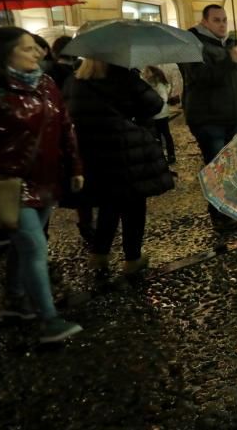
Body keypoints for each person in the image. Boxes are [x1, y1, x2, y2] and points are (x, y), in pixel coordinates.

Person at [0, 27, 84, 343]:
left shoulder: (46, 84)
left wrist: (74, 165)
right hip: (10, 184)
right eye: (28, 49)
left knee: (24, 247)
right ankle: (48, 320)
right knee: (34, 246)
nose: (38, 54)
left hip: (46, 180)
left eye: (37, 48)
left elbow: (65, 125)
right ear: (4, 54)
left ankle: (15, 302)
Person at [66, 59, 173, 276]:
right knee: (134, 206)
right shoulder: (124, 77)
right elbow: (154, 104)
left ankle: (99, 254)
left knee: (109, 203)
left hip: (94, 152)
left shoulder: (76, 81)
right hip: (126, 150)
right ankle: (132, 258)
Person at [181, 5, 237, 164]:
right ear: (205, 22)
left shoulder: (228, 44)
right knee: (218, 170)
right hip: (209, 121)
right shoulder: (193, 44)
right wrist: (229, 61)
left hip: (233, 118)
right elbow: (200, 77)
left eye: (225, 20)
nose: (222, 24)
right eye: (217, 20)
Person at [143, 65, 177, 164]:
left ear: (153, 73)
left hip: (161, 114)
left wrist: (151, 103)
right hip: (153, 114)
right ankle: (161, 155)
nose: (145, 74)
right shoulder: (148, 84)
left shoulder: (159, 85)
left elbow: (164, 99)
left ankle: (171, 155)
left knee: (165, 134)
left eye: (147, 72)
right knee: (157, 135)